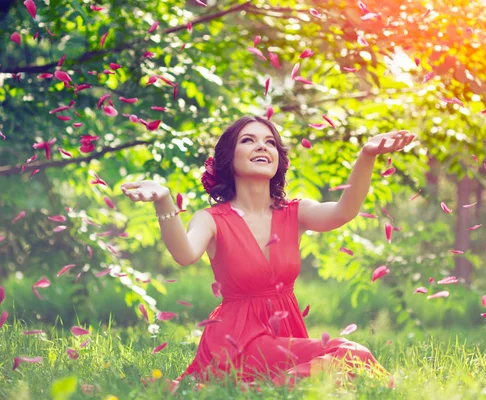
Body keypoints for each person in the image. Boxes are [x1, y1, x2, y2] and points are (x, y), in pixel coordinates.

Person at [120, 115, 415, 392]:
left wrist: (366, 156)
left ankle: (255, 391)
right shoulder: (212, 219)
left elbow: (343, 211)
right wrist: (163, 200)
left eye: (270, 141)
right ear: (228, 158)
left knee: (343, 365)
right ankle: (258, 392)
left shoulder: (295, 213)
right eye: (248, 140)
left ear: (277, 159)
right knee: (352, 355)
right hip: (236, 340)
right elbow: (184, 254)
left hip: (282, 336)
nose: (262, 145)